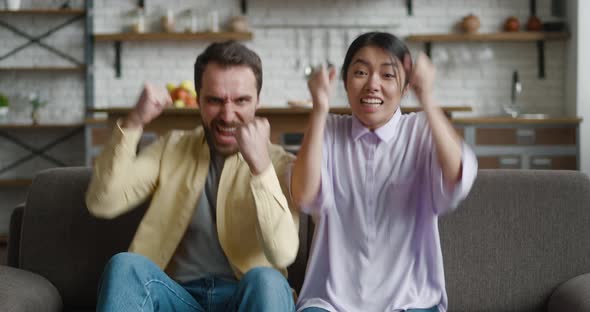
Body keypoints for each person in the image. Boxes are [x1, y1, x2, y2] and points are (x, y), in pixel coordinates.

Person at [86, 41, 299, 312]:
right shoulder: (171, 147)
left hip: (245, 299)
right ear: (198, 99)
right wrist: (134, 122)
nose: (227, 114)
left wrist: (260, 168)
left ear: (258, 101)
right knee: (124, 265)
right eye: (215, 100)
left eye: (241, 100)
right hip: (176, 297)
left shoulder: (281, 163)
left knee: (267, 280)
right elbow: (102, 201)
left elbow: (283, 253)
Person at [290, 32, 478, 312]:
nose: (373, 85)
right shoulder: (328, 129)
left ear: (405, 87)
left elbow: (457, 178)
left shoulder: (421, 130)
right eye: (361, 72)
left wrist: (427, 98)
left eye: (388, 75)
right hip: (331, 301)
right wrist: (318, 110)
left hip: (410, 300)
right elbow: (303, 196)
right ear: (344, 82)